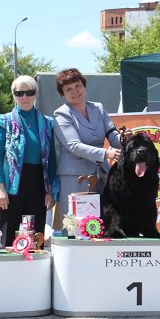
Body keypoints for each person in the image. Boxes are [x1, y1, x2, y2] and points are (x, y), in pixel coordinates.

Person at [0, 75, 60, 247]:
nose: (25, 97)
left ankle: (35, 271)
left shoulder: (47, 122)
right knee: (8, 233)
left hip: (38, 183)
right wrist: (0, 187)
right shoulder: (4, 121)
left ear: (36, 94)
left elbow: (52, 158)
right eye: (19, 93)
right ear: (13, 95)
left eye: (29, 92)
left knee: (35, 235)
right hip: (11, 183)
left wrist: (49, 189)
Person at [53, 68, 122, 217]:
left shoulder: (98, 108)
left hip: (102, 174)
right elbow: (74, 146)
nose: (75, 91)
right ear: (62, 95)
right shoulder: (61, 115)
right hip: (74, 177)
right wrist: (106, 153)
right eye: (68, 89)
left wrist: (124, 139)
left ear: (84, 87)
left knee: (105, 219)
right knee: (76, 225)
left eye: (78, 86)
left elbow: (112, 133)